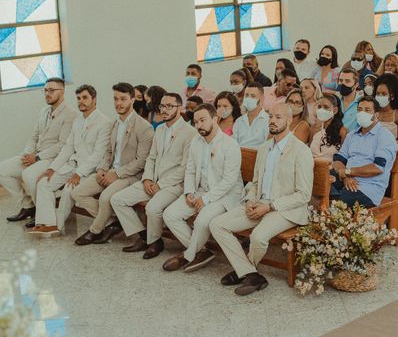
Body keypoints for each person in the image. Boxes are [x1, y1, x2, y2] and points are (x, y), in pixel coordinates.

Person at [210, 103, 314, 296]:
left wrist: (270, 206)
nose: (273, 121)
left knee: (258, 237)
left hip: (285, 209)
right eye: (271, 116)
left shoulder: (301, 151)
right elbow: (256, 183)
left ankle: (244, 271)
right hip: (259, 202)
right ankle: (250, 273)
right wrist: (249, 200)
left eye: (279, 117)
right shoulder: (265, 147)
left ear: (290, 120)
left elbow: (303, 194)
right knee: (217, 224)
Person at [111, 93, 197, 259]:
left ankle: (155, 241)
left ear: (179, 108)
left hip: (174, 185)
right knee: (117, 200)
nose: (164, 110)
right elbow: (151, 157)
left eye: (169, 106)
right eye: (162, 106)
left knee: (152, 208)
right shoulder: (159, 129)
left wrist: (161, 184)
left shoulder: (190, 133)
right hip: (152, 180)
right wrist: (148, 178)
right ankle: (144, 236)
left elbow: (185, 168)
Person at [161, 104, 243, 272]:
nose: (199, 125)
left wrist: (205, 200)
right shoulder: (196, 142)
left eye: (203, 120)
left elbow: (229, 181)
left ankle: (188, 255)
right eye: (196, 121)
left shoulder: (230, 145)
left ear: (215, 119)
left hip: (225, 195)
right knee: (169, 215)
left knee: (202, 221)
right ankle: (202, 251)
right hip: (200, 191)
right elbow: (190, 170)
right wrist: (189, 192)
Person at [72, 83, 154, 245]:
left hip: (131, 175)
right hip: (110, 171)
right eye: (115, 99)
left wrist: (115, 174)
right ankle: (112, 222)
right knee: (77, 193)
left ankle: (94, 231)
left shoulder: (144, 127)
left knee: (105, 198)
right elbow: (108, 152)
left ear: (132, 100)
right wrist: (102, 169)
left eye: (123, 99)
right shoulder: (114, 124)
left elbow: (141, 161)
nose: (118, 103)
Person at [31, 85, 111, 237]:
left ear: (94, 99)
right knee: (43, 183)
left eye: (85, 98)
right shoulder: (78, 120)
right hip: (72, 165)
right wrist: (52, 168)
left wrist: (79, 174)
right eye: (79, 98)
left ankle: (57, 228)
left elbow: (98, 154)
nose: (81, 101)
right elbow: (68, 147)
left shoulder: (104, 123)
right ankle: (47, 224)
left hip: (90, 170)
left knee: (69, 190)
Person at [0, 78, 77, 224]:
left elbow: (62, 145)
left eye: (52, 90)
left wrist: (37, 157)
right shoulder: (44, 111)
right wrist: (28, 153)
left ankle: (41, 212)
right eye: (46, 90)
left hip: (52, 158)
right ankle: (28, 205)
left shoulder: (71, 114)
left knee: (28, 175)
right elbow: (34, 137)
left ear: (63, 92)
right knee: (2, 170)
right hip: (34, 154)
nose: (47, 93)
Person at [331, 96, 398, 208]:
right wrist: (345, 177)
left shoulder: (385, 136)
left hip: (368, 189)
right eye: (359, 110)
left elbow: (377, 168)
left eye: (367, 110)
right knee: (319, 185)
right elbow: (338, 160)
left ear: (376, 115)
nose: (362, 113)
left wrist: (348, 172)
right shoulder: (352, 135)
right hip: (346, 180)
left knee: (336, 202)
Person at [232, 82, 270, 148]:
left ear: (261, 99)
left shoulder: (268, 121)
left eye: (253, 96)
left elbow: (266, 147)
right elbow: (233, 145)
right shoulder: (239, 121)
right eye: (246, 95)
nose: (248, 98)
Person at [310, 94, 347, 161]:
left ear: (335, 110)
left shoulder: (342, 131)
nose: (321, 110)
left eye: (326, 107)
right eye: (319, 107)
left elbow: (343, 158)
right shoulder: (314, 129)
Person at [373, 74, 398, 141]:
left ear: (392, 96)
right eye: (378, 93)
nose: (380, 96)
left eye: (384, 94)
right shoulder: (373, 112)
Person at [337, 67, 363, 132]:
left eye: (347, 81)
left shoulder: (362, 102)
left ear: (356, 85)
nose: (343, 84)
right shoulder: (334, 101)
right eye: (341, 80)